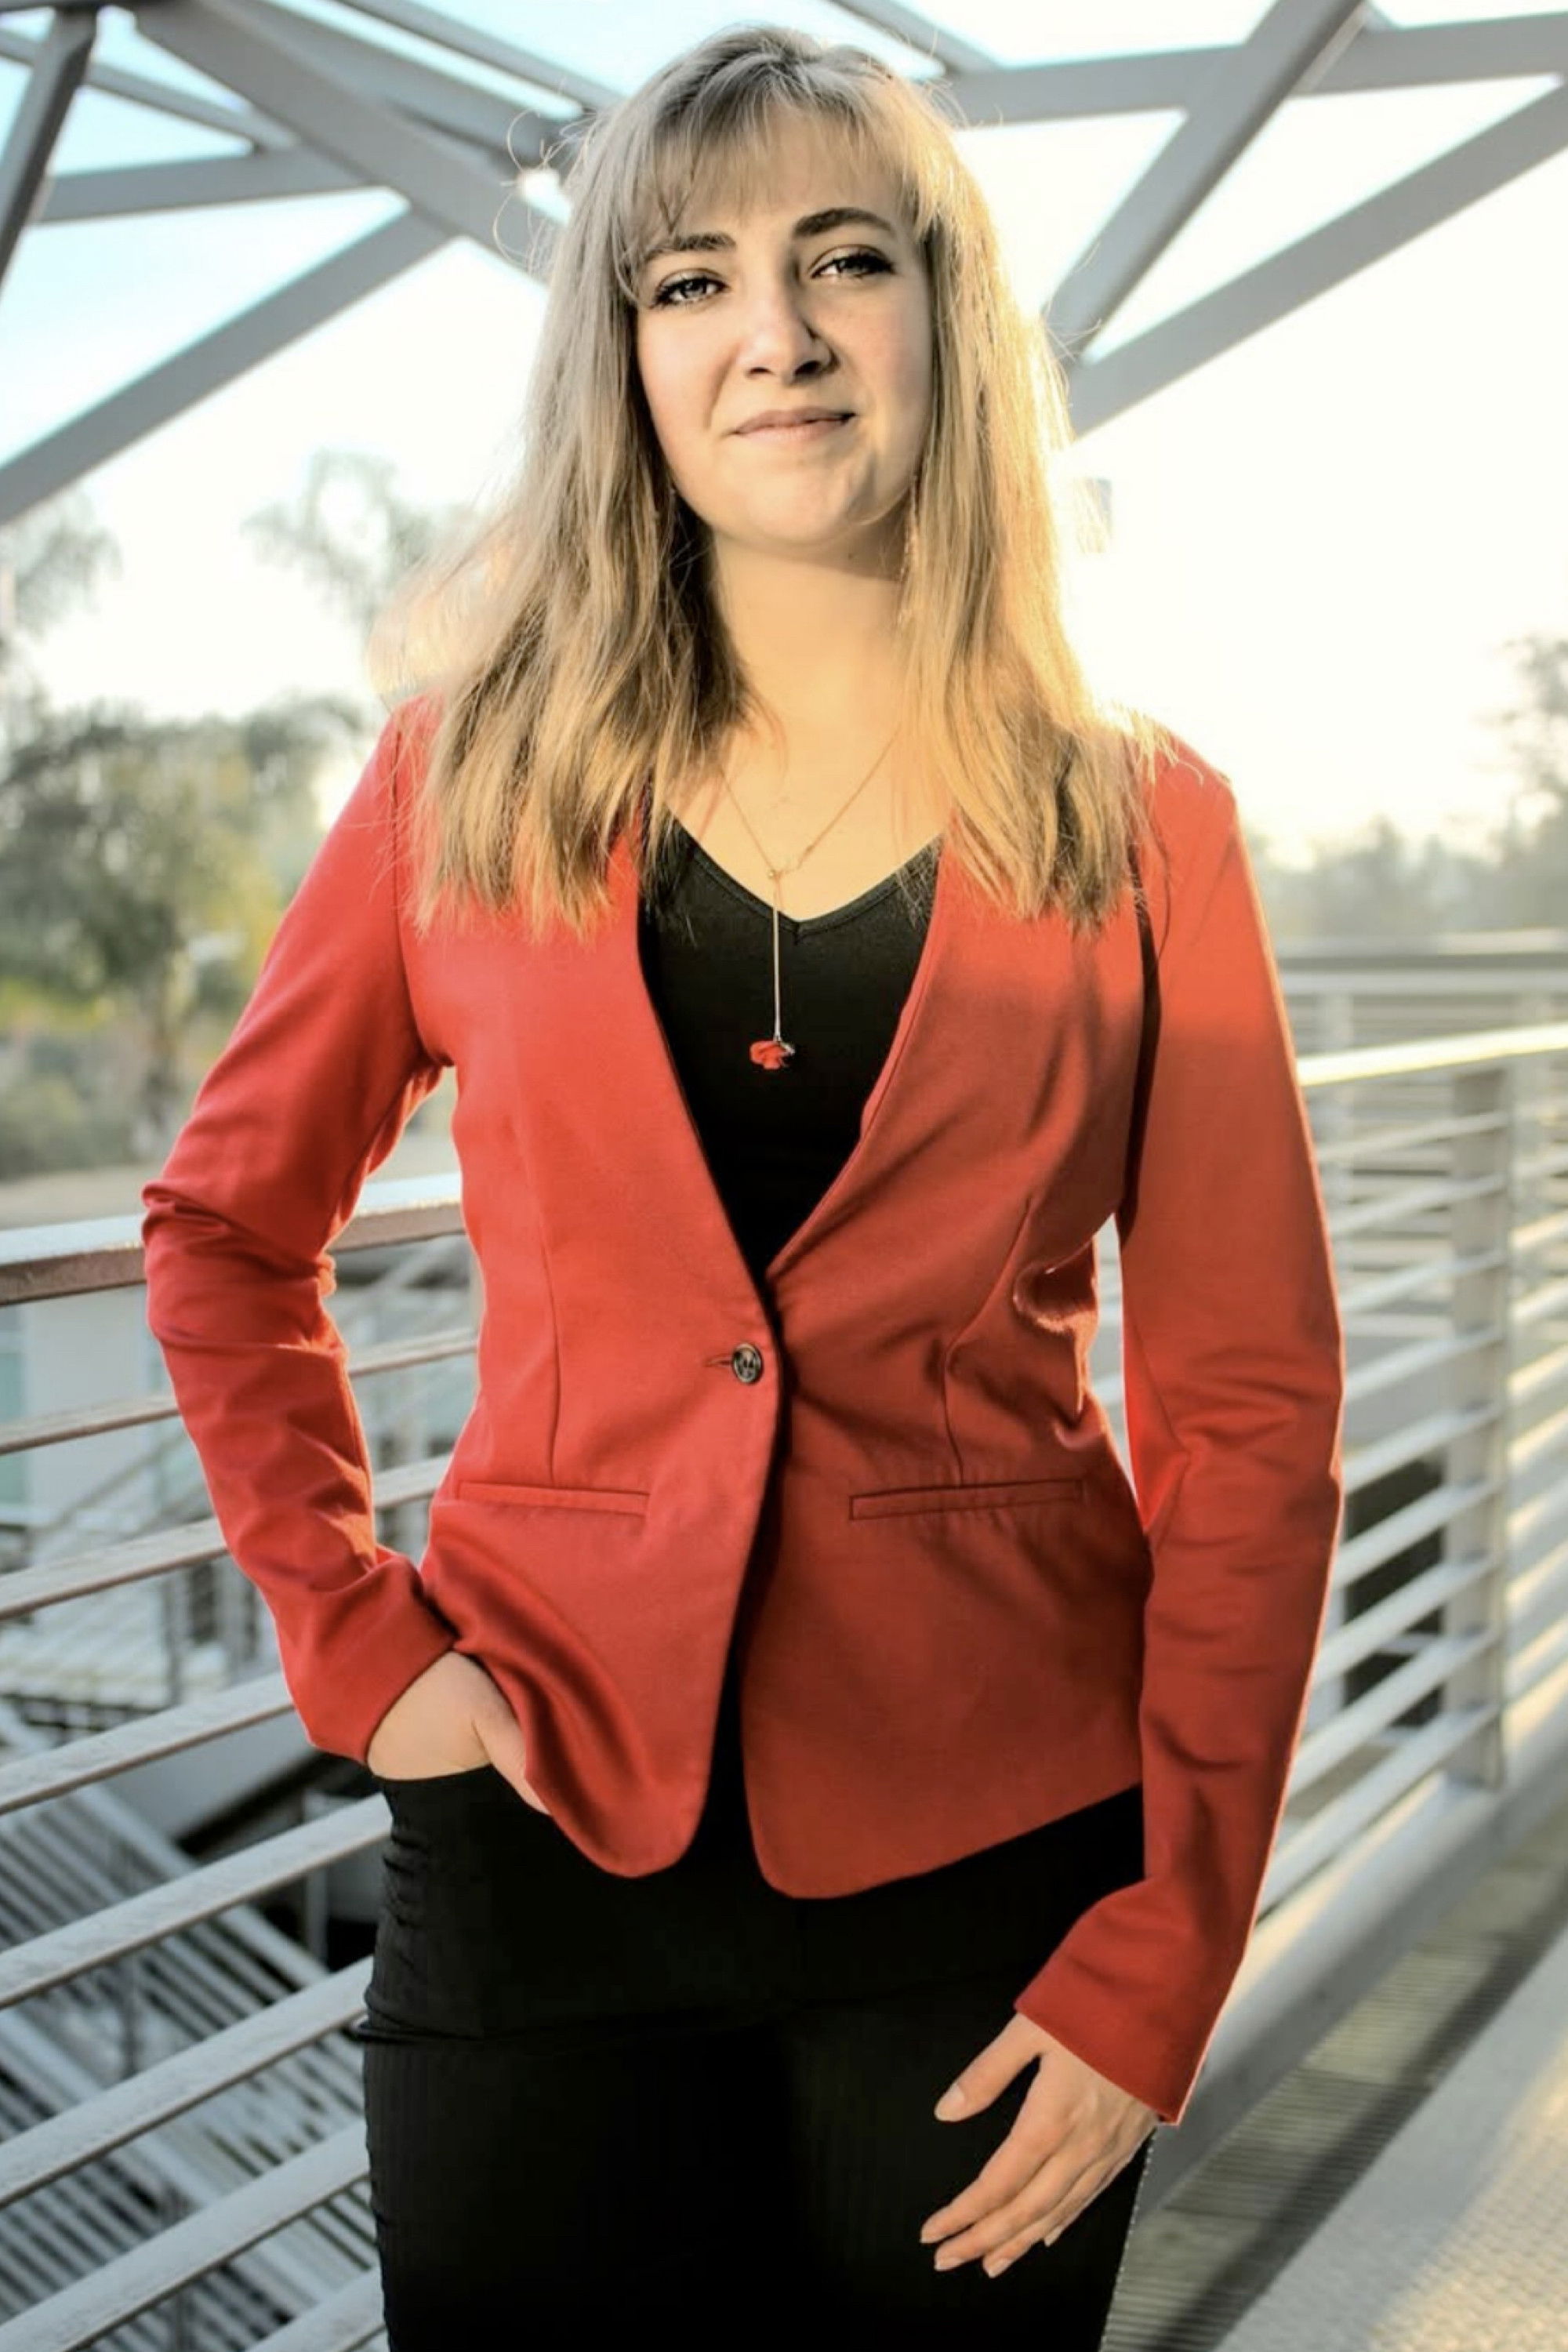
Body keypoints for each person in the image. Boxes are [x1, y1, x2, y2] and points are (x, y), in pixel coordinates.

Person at [139, 24, 1346, 2346]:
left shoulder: (1148, 825)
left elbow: (1249, 1413)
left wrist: (1173, 1938)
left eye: (843, 260)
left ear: (944, 320)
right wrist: (360, 1647)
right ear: (625, 358)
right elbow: (223, 1229)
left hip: (998, 1873)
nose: (771, 335)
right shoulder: (458, 784)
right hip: (539, 1826)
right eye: (689, 282)